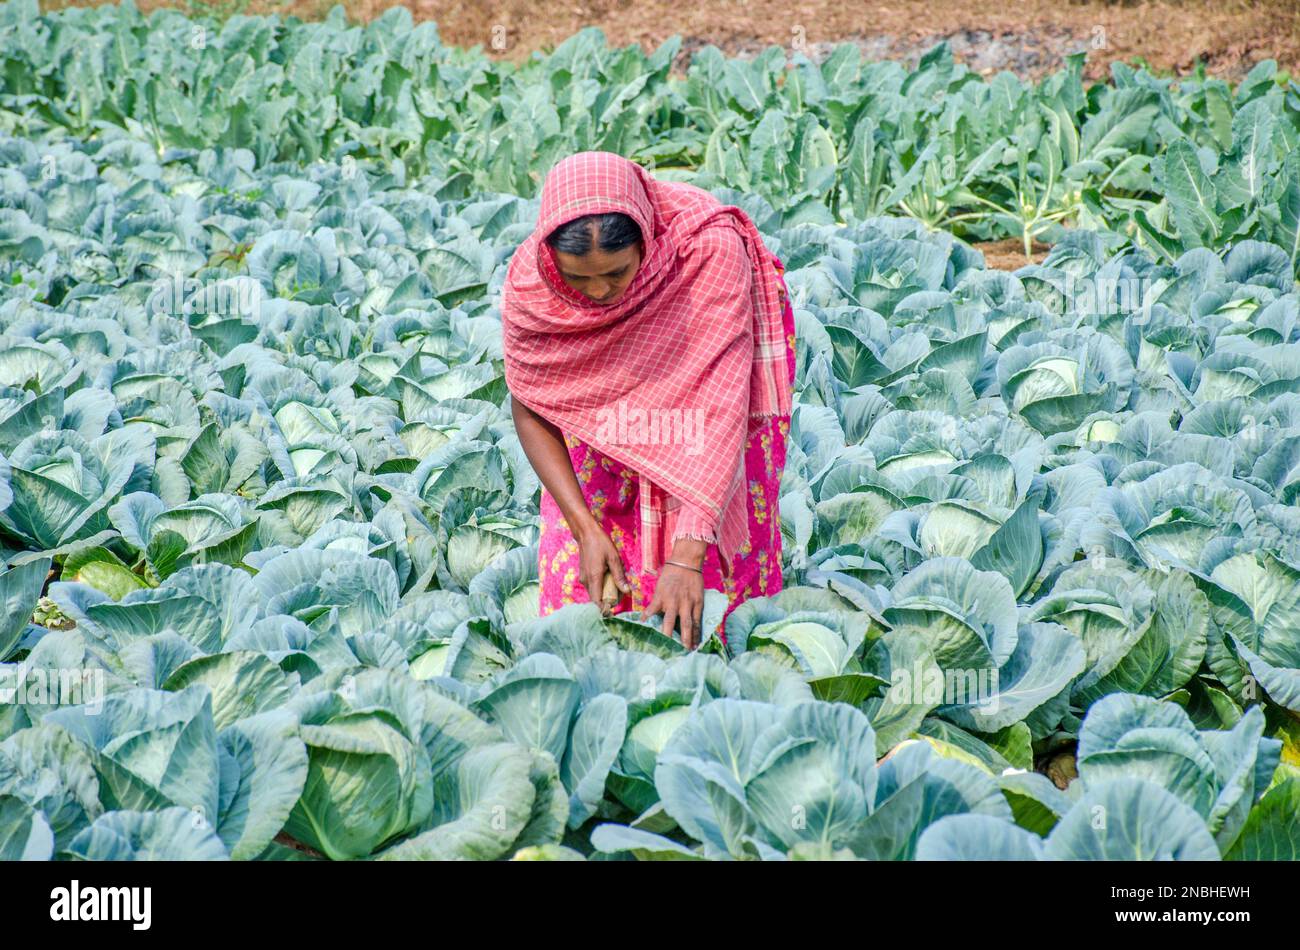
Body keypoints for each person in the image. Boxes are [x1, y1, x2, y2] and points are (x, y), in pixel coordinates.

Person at [501, 151, 796, 649]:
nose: (599, 293)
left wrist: (686, 557)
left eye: (617, 273)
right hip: (603, 439)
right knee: (588, 609)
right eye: (578, 278)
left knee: (711, 624)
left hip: (706, 437)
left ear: (646, 238)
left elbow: (719, 408)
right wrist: (584, 528)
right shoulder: (533, 282)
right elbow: (530, 399)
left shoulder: (703, 251)